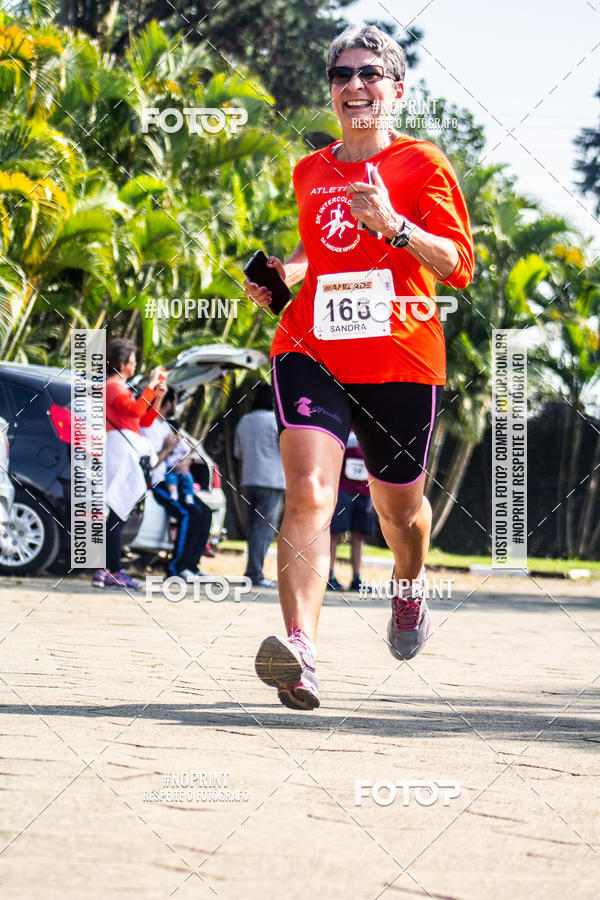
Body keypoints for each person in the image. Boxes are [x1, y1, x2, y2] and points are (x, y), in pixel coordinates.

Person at [245, 24, 474, 710]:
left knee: (398, 512)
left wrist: (394, 225)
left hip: (401, 358)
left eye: (370, 73)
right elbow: (322, 252)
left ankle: (408, 587)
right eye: (342, 75)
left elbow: (458, 266)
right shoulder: (311, 171)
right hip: (310, 347)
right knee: (310, 488)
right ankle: (301, 651)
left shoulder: (423, 165)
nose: (354, 85)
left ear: (397, 89)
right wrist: (285, 273)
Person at [93, 338, 166, 590]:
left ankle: (108, 570)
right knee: (116, 509)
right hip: (119, 450)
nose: (135, 365)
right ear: (122, 363)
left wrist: (156, 396)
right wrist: (150, 385)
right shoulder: (113, 386)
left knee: (118, 510)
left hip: (126, 449)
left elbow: (143, 421)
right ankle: (112, 570)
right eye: (133, 360)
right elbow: (135, 412)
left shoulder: (118, 386)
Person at [142, 388, 213, 580]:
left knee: (204, 512)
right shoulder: (148, 427)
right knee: (187, 513)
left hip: (176, 480)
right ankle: (177, 568)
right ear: (165, 403)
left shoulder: (165, 426)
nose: (175, 406)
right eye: (173, 401)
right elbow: (150, 462)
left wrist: (185, 460)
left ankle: (192, 565)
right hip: (159, 483)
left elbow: (177, 453)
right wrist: (168, 449)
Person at [233, 383, 285, 588]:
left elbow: (238, 453)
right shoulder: (275, 422)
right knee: (264, 530)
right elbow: (286, 450)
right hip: (271, 481)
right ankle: (255, 574)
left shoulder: (244, 421)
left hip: (248, 480)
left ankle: (252, 571)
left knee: (253, 528)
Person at [328, 431, 376, 592]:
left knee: (359, 536)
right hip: (343, 491)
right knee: (334, 534)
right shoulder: (344, 433)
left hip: (365, 493)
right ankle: (329, 576)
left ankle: (356, 578)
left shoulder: (373, 434)